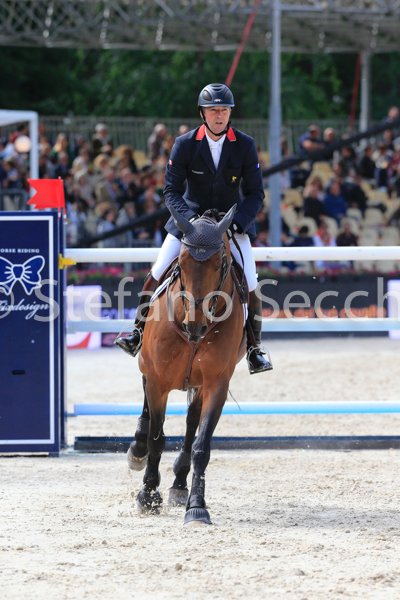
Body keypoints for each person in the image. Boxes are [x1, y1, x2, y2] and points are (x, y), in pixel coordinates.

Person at [116, 82, 272, 374]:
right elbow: (171, 191)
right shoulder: (185, 144)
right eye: (213, 110)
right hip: (189, 225)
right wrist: (189, 223)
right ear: (202, 113)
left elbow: (255, 194)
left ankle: (254, 348)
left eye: (224, 110)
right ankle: (136, 331)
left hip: (230, 225)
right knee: (158, 270)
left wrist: (237, 223)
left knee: (251, 281)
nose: (219, 115)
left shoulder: (245, 145)